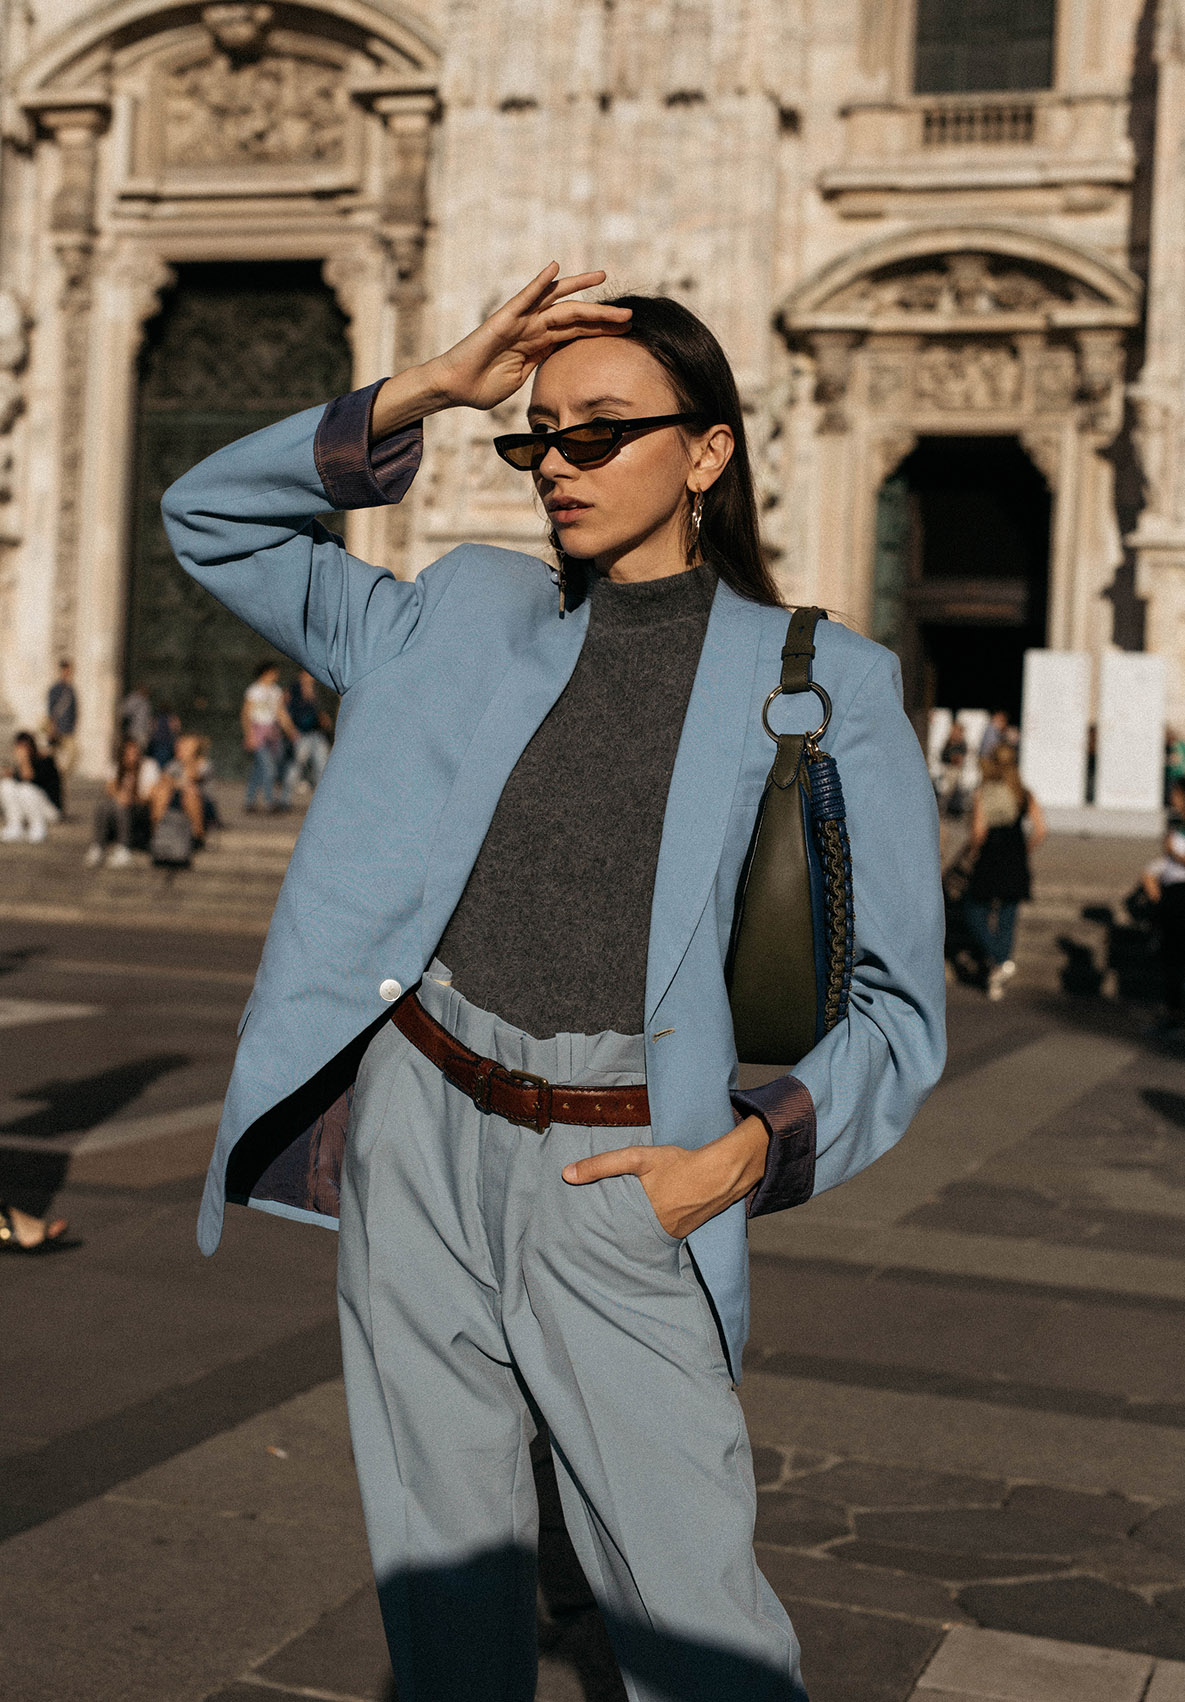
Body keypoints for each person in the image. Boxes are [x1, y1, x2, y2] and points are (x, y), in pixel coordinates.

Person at [162, 264, 946, 1702]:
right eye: (535, 435)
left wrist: (733, 1162)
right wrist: (433, 387)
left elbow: (900, 1011)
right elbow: (209, 518)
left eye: (600, 431)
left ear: (706, 450)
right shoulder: (460, 607)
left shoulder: (827, 682)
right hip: (418, 1125)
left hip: (623, 1167)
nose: (555, 465)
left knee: (694, 1621)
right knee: (444, 1594)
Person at [963, 745, 1047, 1000]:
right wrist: (1024, 849)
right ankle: (1001, 968)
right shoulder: (1023, 793)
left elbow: (979, 832)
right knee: (1008, 913)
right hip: (1015, 853)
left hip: (991, 855)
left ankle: (999, 961)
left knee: (974, 909)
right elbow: (1041, 829)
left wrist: (972, 854)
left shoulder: (984, 792)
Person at [1142, 779, 1185, 1026]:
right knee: (1171, 956)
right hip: (1172, 894)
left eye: (1176, 794)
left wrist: (1174, 854)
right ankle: (1173, 1011)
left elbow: (1176, 857)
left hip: (1181, 894)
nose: (1172, 799)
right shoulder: (1174, 823)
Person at [85, 737, 161, 867]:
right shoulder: (116, 767)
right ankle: (98, 846)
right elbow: (109, 789)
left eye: (135, 753)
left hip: (141, 809)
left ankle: (123, 848)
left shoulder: (149, 766)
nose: (132, 757)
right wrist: (121, 795)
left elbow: (151, 795)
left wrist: (131, 798)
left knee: (121, 806)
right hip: (119, 806)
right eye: (128, 754)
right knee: (104, 805)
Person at [241, 661, 297, 812]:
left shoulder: (276, 691)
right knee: (268, 767)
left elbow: (280, 713)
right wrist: (249, 735)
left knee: (260, 768)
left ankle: (249, 800)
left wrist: (291, 730)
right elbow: (246, 714)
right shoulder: (254, 691)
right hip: (258, 731)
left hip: (272, 733)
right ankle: (269, 801)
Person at [151, 732, 213, 849]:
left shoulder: (204, 764)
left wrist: (188, 761)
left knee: (190, 792)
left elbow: (194, 777)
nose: (180, 748)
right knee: (161, 792)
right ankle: (157, 832)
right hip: (176, 799)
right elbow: (164, 780)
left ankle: (198, 836)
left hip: (202, 802)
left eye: (185, 747)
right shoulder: (173, 765)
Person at [281, 668, 333, 804]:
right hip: (301, 733)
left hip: (317, 733)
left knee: (322, 766)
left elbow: (321, 711)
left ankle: (322, 801)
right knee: (296, 765)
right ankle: (285, 799)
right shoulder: (293, 690)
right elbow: (285, 710)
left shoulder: (318, 690)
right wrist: (291, 730)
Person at [0, 731, 61, 843]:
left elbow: (29, 778)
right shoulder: (19, 764)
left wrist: (24, 760)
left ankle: (38, 827)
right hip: (29, 806)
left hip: (50, 810)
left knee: (26, 789)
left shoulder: (45, 760)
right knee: (6, 785)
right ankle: (15, 825)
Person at [44, 658, 78, 803]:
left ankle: (60, 777)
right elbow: (51, 710)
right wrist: (52, 727)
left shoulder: (71, 689)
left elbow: (74, 710)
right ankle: (55, 784)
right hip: (57, 731)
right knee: (54, 760)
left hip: (68, 730)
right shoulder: (55, 689)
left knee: (73, 754)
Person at [118, 682, 153, 749]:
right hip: (133, 731)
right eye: (144, 688)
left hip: (144, 733)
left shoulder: (147, 701)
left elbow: (148, 717)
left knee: (141, 750)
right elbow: (123, 711)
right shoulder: (133, 698)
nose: (146, 690)